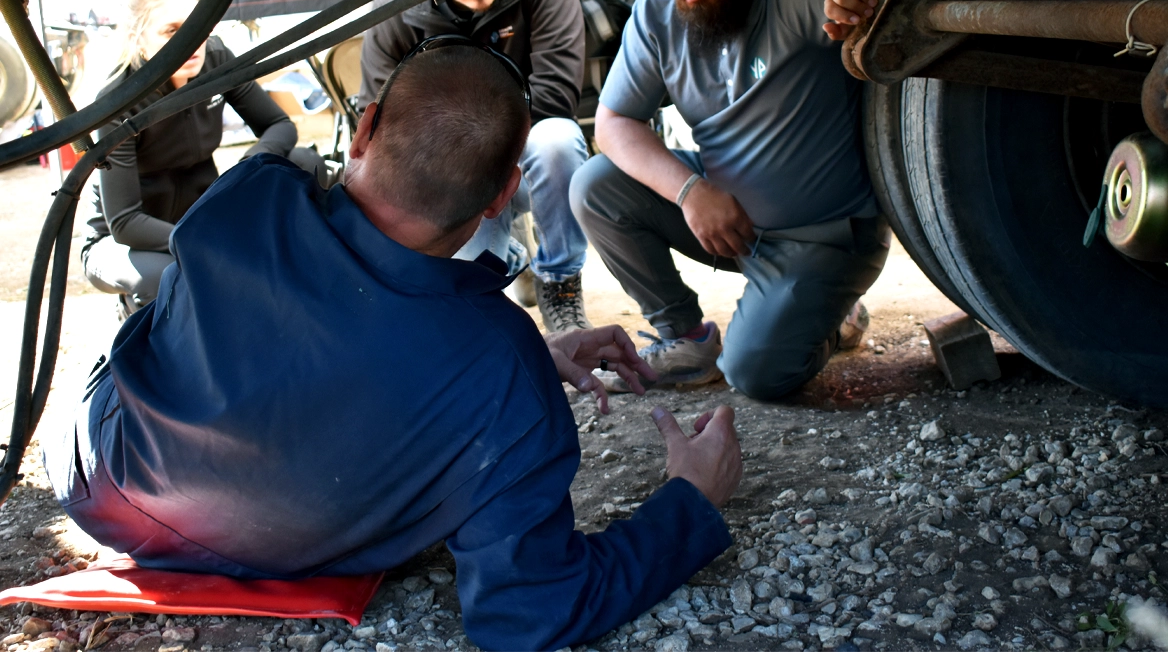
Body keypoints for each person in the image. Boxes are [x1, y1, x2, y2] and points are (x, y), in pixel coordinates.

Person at [45, 38, 743, 652]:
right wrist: (689, 499)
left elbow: (263, 348)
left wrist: (523, 360)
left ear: (364, 127)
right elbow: (533, 609)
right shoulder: (501, 367)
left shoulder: (249, 197)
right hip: (290, 553)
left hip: (97, 482)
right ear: (504, 194)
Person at [569, 0, 891, 402]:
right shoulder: (658, 8)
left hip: (823, 240)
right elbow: (613, 124)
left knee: (755, 374)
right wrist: (690, 192)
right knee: (595, 185)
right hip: (730, 222)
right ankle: (686, 340)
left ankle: (830, 318)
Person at [360, 0, 594, 333]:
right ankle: (493, 279)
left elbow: (559, 92)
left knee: (558, 140)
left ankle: (561, 283)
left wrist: (481, 145)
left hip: (529, 150)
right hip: (448, 170)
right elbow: (381, 126)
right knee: (477, 276)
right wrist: (463, 161)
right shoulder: (396, 6)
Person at [80, 0, 323, 315]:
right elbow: (124, 222)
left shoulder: (216, 59)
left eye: (199, 28)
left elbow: (279, 125)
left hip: (198, 213)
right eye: (171, 31)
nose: (192, 42)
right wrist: (204, 238)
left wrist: (249, 166)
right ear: (139, 39)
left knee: (300, 163)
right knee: (171, 276)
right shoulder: (118, 101)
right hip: (126, 240)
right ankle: (141, 326)